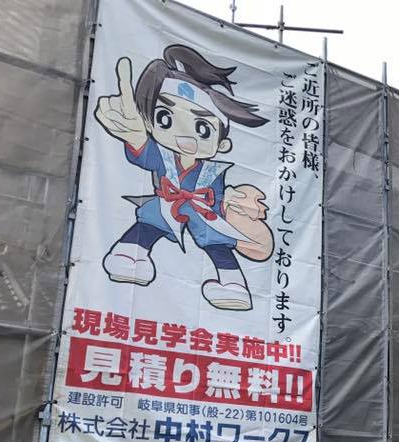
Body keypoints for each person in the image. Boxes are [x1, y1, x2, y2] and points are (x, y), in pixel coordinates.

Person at [94, 44, 274, 311]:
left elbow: (217, 193)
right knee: (151, 222)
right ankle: (131, 256)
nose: (185, 136)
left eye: (203, 128)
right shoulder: (164, 156)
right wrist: (135, 137)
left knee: (216, 242)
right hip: (169, 204)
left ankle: (233, 285)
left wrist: (230, 200)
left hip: (203, 211)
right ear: (151, 122)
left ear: (222, 144)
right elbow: (145, 155)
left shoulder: (212, 170)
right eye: (165, 118)